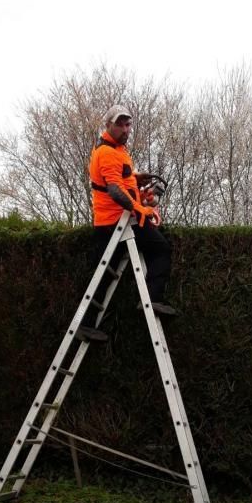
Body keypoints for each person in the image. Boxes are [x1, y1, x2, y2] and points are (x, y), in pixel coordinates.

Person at [77, 105, 176, 343]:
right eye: (120, 124)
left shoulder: (118, 149)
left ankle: (87, 325)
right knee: (161, 248)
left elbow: (121, 180)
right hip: (115, 221)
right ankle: (152, 300)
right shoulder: (107, 152)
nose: (125, 129)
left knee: (102, 274)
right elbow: (114, 190)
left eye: (128, 124)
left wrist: (135, 180)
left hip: (116, 220)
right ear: (108, 125)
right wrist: (139, 208)